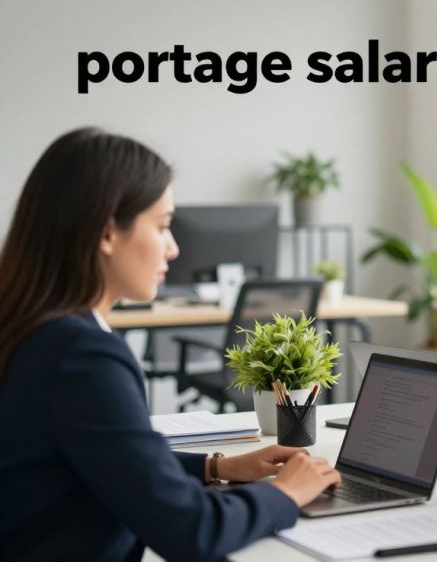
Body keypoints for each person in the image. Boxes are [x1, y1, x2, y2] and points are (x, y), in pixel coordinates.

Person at [0, 128, 341, 562]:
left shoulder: (32, 329)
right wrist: (287, 494)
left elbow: (103, 457)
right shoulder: (82, 358)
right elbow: (191, 531)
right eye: (162, 226)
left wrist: (216, 467)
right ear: (108, 233)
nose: (174, 249)